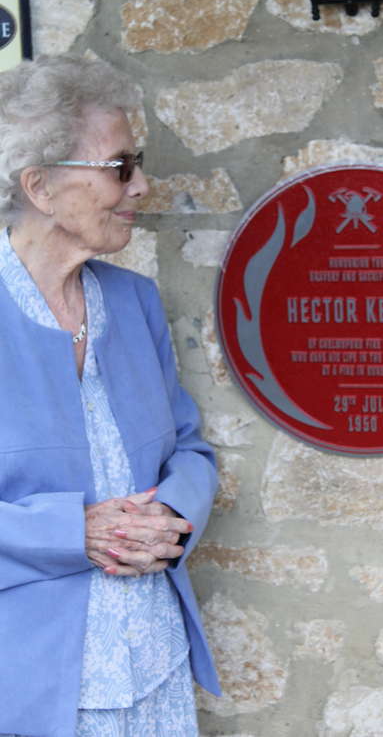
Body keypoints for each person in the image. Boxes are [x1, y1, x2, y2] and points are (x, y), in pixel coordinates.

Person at [0, 54, 220, 737]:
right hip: (31, 680)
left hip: (153, 665)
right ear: (40, 185)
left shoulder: (135, 301)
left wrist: (173, 516)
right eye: (120, 167)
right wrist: (74, 532)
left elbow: (189, 446)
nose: (142, 185)